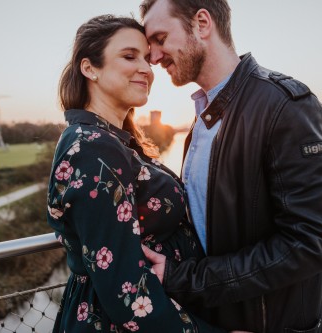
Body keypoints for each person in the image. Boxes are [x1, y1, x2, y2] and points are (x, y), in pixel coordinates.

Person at [139, 1, 322, 332]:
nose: (155, 57)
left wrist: (190, 280)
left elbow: (311, 242)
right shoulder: (202, 121)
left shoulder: (286, 107)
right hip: (222, 320)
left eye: (160, 38)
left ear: (202, 23)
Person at [47, 14, 226, 332]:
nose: (147, 68)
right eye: (130, 56)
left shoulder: (114, 141)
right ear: (90, 68)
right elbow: (125, 292)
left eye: (147, 58)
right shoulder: (91, 147)